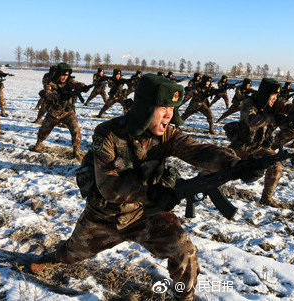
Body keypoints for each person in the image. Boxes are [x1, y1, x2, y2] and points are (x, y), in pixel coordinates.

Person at [28, 74, 263, 301]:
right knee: (72, 253)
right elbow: (108, 185)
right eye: (163, 109)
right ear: (145, 108)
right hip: (104, 215)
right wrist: (151, 192)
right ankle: (55, 258)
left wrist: (234, 163)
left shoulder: (168, 134)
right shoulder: (107, 134)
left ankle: (185, 297)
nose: (169, 116)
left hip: (146, 213)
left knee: (185, 252)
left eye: (172, 110)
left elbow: (198, 150)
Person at [225, 78, 284, 206]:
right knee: (221, 166)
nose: (275, 98)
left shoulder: (272, 107)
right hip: (241, 147)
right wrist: (273, 118)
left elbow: (288, 107)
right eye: (272, 95)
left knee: (276, 165)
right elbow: (252, 120)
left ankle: (266, 198)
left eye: (276, 95)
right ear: (265, 94)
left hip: (258, 147)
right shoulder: (249, 103)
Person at [29, 63, 90, 160]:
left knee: (76, 130)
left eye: (66, 75)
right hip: (53, 113)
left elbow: (75, 83)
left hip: (67, 113)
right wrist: (56, 96)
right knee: (43, 131)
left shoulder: (69, 82)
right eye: (62, 75)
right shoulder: (50, 83)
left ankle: (76, 152)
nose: (64, 77)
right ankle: (38, 144)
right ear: (58, 74)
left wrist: (83, 86)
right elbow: (47, 92)